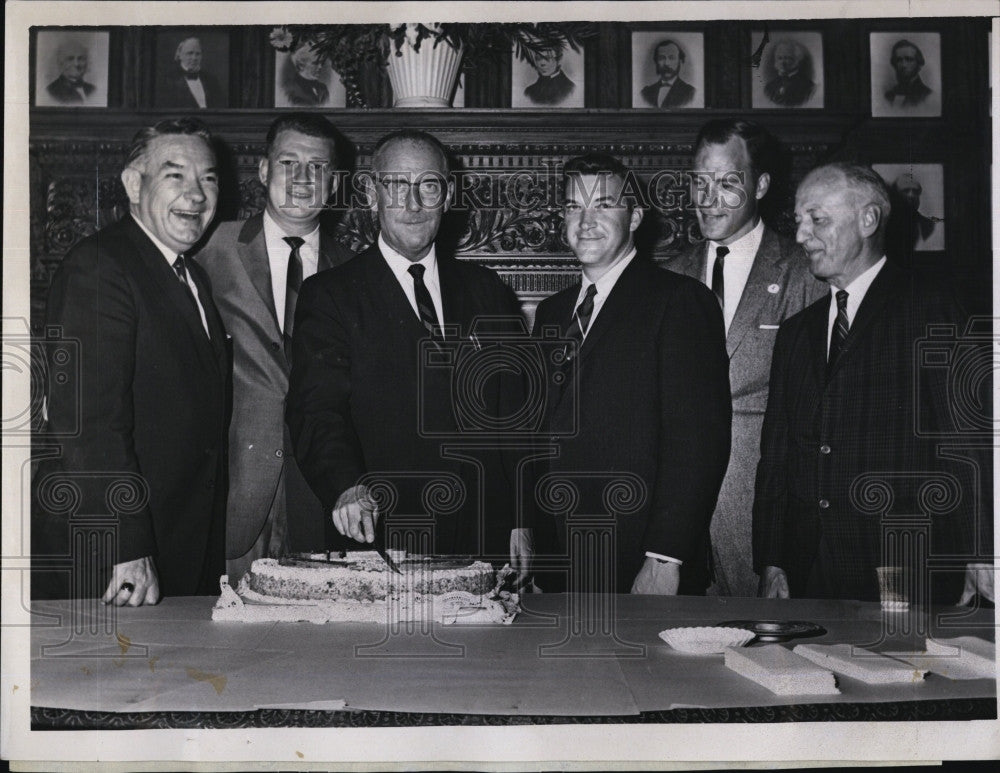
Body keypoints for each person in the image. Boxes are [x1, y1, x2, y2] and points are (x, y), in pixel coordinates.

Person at [286, 130, 529, 568]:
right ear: (371, 193)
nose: (413, 204)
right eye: (397, 185)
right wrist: (346, 486)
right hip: (381, 531)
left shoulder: (488, 291)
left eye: (428, 185)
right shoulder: (331, 295)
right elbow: (316, 410)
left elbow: (515, 418)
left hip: (484, 535)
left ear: (448, 194)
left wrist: (521, 520)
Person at [753, 162, 992, 604]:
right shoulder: (795, 333)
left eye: (817, 219)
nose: (801, 235)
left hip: (901, 564)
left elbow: (969, 438)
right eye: (799, 221)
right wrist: (773, 561)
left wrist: (983, 551)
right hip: (810, 569)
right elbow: (776, 460)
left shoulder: (930, 307)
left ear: (867, 219)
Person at [34, 118, 228, 605]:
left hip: (176, 541)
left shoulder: (190, 276)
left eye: (209, 178)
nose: (197, 194)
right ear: (132, 184)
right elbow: (89, 423)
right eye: (175, 175)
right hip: (111, 556)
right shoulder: (100, 268)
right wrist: (129, 546)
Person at [532, 153, 731, 595]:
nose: (585, 220)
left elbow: (698, 441)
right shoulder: (552, 311)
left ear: (636, 216)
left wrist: (665, 558)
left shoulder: (679, 301)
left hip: (639, 559)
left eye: (603, 205)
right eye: (572, 207)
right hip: (561, 563)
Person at [670, 120, 825, 597]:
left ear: (760, 185)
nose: (708, 197)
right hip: (678, 517)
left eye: (727, 183)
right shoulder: (669, 275)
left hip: (761, 509)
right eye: (699, 181)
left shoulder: (805, 272)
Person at [196, 114, 353, 583]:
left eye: (317, 167)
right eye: (289, 163)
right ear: (264, 170)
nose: (303, 179)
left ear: (334, 181)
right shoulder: (209, 248)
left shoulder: (352, 271)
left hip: (320, 495)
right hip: (232, 488)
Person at [156, 36, 225, 109]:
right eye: (190, 53)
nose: (194, 58)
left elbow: (221, 108)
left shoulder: (211, 80)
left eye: (198, 54)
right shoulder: (168, 80)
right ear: (179, 55)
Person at [640, 39, 695, 108]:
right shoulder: (646, 93)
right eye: (661, 58)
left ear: (680, 61)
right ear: (656, 61)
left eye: (672, 58)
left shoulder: (690, 93)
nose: (666, 63)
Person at [890, 172, 937, 250]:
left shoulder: (927, 224)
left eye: (915, 191)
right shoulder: (885, 224)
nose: (911, 195)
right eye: (905, 190)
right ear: (895, 195)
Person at [763, 39, 815, 106]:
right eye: (780, 58)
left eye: (788, 58)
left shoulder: (809, 86)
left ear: (797, 60)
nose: (783, 62)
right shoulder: (769, 87)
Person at [45, 38, 96, 103]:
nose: (76, 64)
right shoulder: (51, 91)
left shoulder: (92, 89)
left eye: (81, 59)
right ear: (61, 63)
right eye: (70, 59)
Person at [884, 39, 932, 108]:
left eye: (909, 59)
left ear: (919, 64)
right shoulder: (888, 96)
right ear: (894, 64)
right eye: (899, 60)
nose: (903, 65)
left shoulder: (928, 97)